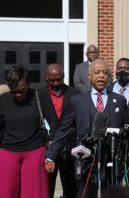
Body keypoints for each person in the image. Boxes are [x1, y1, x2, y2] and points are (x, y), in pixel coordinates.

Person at [45, 59, 128, 198]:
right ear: (89, 77)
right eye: (97, 72)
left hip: (111, 162)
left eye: (105, 73)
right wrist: (51, 156)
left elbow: (125, 130)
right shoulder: (77, 101)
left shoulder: (119, 100)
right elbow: (64, 130)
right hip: (85, 162)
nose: (101, 76)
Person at [0, 67, 49, 198]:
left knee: (34, 194)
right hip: (8, 152)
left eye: (22, 91)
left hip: (35, 152)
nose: (18, 95)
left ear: (28, 84)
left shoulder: (39, 97)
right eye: (14, 92)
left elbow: (50, 125)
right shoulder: (3, 100)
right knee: (4, 193)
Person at [38, 63, 80, 198]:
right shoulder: (38, 95)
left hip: (69, 148)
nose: (56, 83)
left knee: (71, 188)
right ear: (46, 78)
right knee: (46, 188)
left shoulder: (75, 94)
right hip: (48, 148)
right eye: (52, 80)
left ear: (64, 76)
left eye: (59, 79)